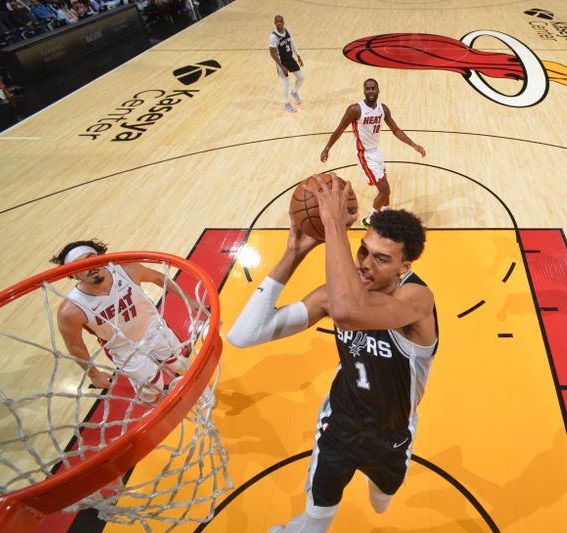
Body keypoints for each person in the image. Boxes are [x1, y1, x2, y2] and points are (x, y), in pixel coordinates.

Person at [227, 173, 438, 532]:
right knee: (315, 520)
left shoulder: (417, 300)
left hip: (393, 433)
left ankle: (379, 484)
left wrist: (334, 226)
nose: (365, 264)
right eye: (363, 251)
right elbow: (244, 335)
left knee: (382, 502)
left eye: (382, 259)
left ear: (405, 268)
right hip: (339, 428)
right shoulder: (335, 294)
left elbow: (348, 312)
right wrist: (292, 254)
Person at [52, 239, 200, 401]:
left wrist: (190, 300)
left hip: (154, 330)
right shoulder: (71, 310)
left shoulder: (127, 270)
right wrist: (93, 374)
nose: (89, 267)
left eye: (90, 258)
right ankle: (149, 399)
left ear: (100, 257)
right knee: (154, 386)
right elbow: (75, 345)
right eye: (79, 265)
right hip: (125, 349)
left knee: (180, 364)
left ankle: (200, 387)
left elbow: (158, 278)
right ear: (73, 274)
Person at [319, 79, 426, 228]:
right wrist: (327, 148)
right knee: (385, 189)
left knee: (385, 190)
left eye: (373, 88)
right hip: (364, 155)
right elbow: (339, 129)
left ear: (378, 90)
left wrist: (413, 144)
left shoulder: (383, 109)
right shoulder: (355, 109)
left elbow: (396, 130)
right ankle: (370, 219)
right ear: (363, 91)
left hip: (377, 153)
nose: (370, 91)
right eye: (367, 89)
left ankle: (385, 213)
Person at [269, 14, 304, 114]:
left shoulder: (287, 31)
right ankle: (286, 103)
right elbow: (272, 53)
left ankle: (294, 92)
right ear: (275, 23)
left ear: (283, 22)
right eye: (277, 22)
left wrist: (298, 56)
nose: (279, 23)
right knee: (286, 81)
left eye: (280, 21)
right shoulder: (273, 37)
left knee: (301, 77)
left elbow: (292, 43)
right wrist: (282, 66)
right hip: (281, 61)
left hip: (289, 58)